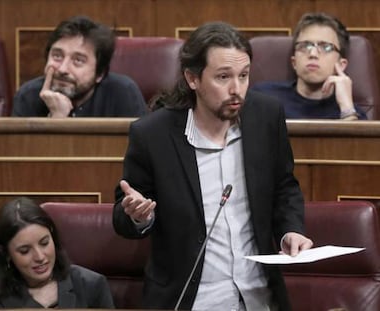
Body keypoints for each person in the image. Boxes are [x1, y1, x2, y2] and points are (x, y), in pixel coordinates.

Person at [113, 21, 313, 310]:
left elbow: (284, 187)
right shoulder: (153, 135)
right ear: (192, 78)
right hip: (193, 298)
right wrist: (138, 216)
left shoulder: (266, 116)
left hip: (259, 294)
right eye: (223, 77)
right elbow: (124, 214)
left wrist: (290, 230)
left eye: (243, 76)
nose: (237, 90)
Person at [0, 196, 114, 308]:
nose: (40, 257)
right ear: (5, 253)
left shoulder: (92, 285)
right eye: (25, 251)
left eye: (44, 243)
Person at [12, 15, 147, 118]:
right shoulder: (27, 96)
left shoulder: (123, 94)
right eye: (57, 56)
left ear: (99, 74)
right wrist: (57, 118)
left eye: (78, 60)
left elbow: (140, 153)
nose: (63, 69)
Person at [251, 12, 366, 120]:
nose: (313, 54)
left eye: (326, 47)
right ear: (294, 62)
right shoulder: (263, 98)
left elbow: (355, 142)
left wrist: (347, 109)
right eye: (305, 46)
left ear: (341, 65)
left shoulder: (352, 113)